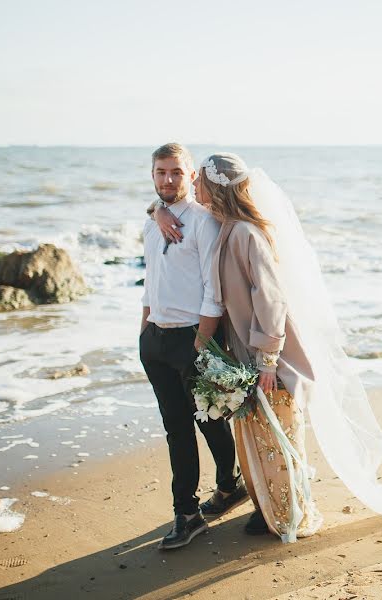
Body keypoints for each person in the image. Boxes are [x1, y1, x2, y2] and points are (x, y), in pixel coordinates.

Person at [156, 152, 382, 543]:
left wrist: (268, 359)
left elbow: (271, 299)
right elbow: (170, 204)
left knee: (278, 435)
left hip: (272, 356)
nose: (194, 186)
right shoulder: (222, 227)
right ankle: (268, 508)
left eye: (199, 180)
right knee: (257, 436)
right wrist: (157, 211)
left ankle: (292, 514)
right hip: (243, 354)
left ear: (216, 187)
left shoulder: (245, 234)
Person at [140, 143, 248, 550]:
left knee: (209, 421)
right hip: (155, 339)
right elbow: (151, 278)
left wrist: (201, 344)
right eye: (160, 172)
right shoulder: (153, 220)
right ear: (152, 175)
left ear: (191, 176)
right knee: (177, 429)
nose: (168, 180)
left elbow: (213, 291)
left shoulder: (205, 222)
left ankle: (226, 485)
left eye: (176, 173)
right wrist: (144, 329)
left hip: (193, 337)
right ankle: (188, 513)